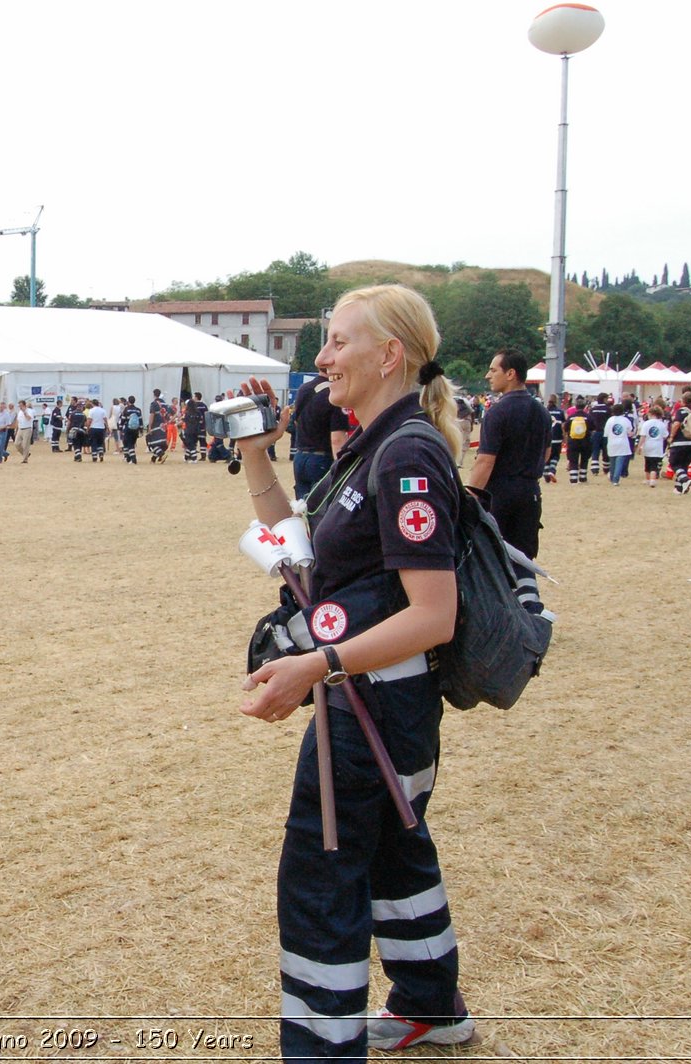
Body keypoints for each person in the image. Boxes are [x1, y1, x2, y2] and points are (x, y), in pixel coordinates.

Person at [236, 284, 470, 1060]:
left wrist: (315, 664)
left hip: (378, 708)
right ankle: (432, 1007)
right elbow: (301, 554)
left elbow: (433, 614)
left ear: (389, 354)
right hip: (371, 702)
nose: (323, 357)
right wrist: (255, 455)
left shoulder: (405, 454)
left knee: (321, 877)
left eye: (338, 341)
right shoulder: (372, 442)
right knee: (395, 850)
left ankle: (322, 1048)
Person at [468, 350, 551, 590]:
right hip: (530, 493)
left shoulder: (498, 412)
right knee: (524, 560)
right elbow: (546, 453)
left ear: (511, 373)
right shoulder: (542, 412)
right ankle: (530, 609)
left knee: (492, 556)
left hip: (499, 494)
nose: (488, 375)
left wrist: (471, 496)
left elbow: (485, 461)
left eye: (493, 370)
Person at [289, 369, 351, 498]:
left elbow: (295, 421)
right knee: (320, 510)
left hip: (300, 456)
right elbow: (337, 439)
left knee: (301, 507)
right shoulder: (334, 394)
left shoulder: (303, 389)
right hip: (322, 458)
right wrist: (343, 468)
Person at [603, 401, 635, 486]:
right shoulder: (626, 420)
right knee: (619, 462)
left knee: (612, 462)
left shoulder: (610, 420)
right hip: (622, 443)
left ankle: (612, 476)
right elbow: (630, 432)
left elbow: (606, 433)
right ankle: (616, 480)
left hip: (612, 442)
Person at [638, 401, 669, 487]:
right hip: (658, 446)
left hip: (648, 445)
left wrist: (639, 446)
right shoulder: (662, 424)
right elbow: (665, 436)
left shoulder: (646, 423)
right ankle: (653, 480)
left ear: (651, 414)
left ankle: (648, 479)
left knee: (647, 463)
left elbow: (643, 436)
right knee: (654, 464)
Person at [182, 391, 208, 462]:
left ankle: (192, 455)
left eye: (193, 396)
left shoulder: (193, 406)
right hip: (202, 427)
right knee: (203, 442)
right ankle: (203, 456)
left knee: (193, 442)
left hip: (193, 428)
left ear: (196, 397)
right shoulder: (204, 406)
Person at [119, 396, 143, 464]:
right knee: (130, 443)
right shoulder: (138, 410)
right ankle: (128, 458)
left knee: (128, 443)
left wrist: (120, 428)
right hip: (135, 429)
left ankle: (133, 459)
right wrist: (141, 429)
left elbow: (123, 419)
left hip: (128, 429)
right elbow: (140, 420)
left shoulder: (126, 409)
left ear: (128, 401)